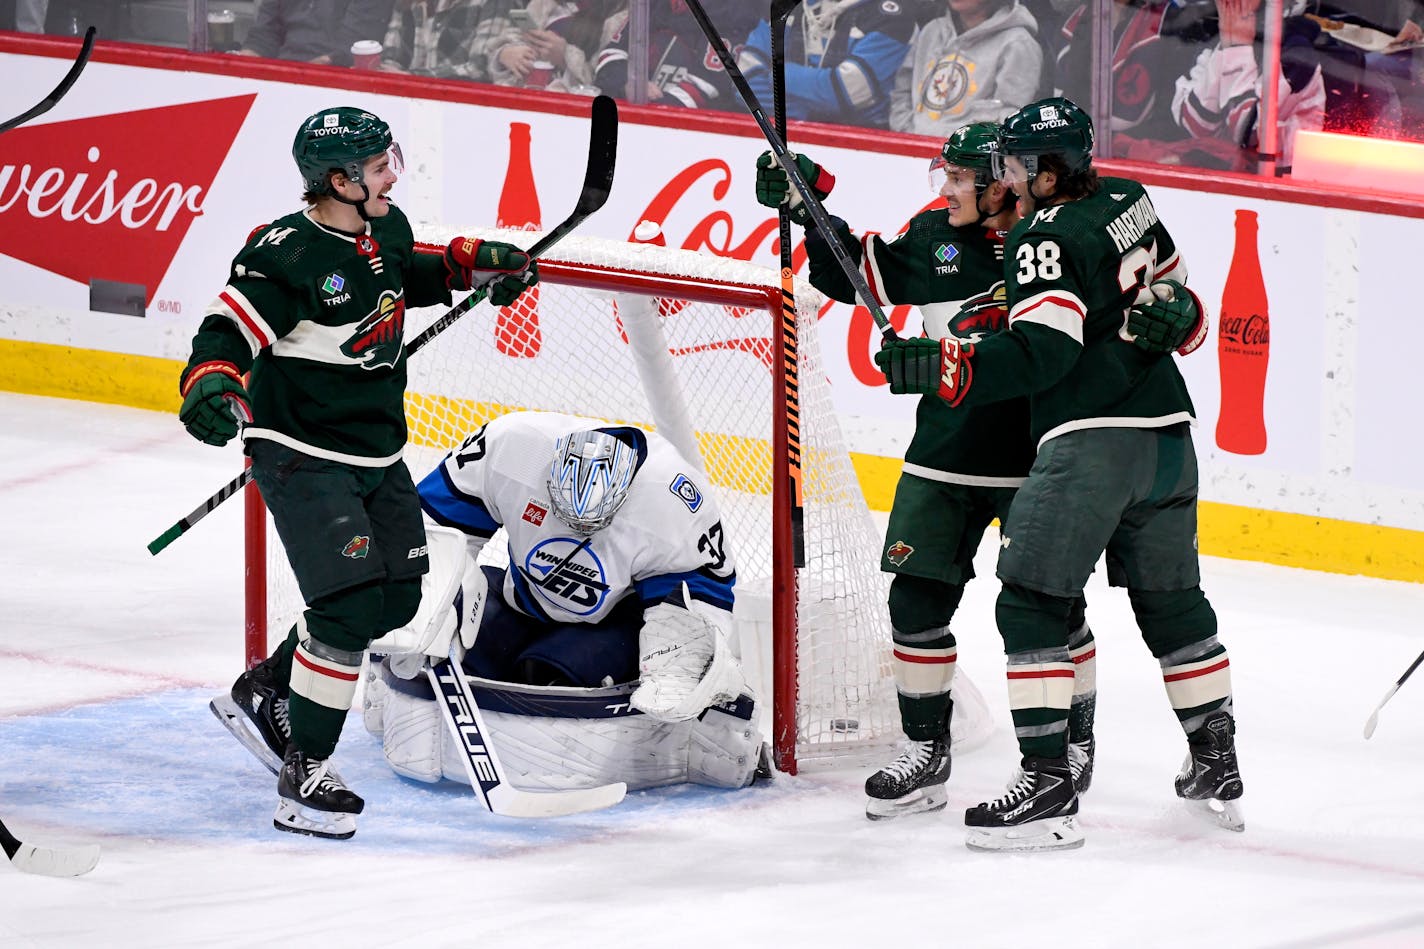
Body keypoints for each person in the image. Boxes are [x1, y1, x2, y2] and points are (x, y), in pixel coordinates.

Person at [752, 125, 1153, 820]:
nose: (946, 190)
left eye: (959, 179)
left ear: (1002, 182)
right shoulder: (938, 234)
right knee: (913, 601)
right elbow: (856, 272)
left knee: (1055, 610)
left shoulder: (1054, 240)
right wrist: (808, 210)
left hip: (1038, 454)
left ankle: (1073, 739)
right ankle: (924, 752)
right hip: (947, 450)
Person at [875, 95, 1239, 852]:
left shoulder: (1042, 235)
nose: (1007, 175)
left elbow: (1046, 351)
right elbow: (1176, 297)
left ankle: (1048, 782)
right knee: (1173, 602)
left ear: (1048, 169)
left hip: (1090, 440)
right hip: (1168, 436)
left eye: (1017, 164)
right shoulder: (1126, 198)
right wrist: (1190, 315)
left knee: (1034, 603)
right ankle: (1216, 758)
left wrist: (950, 364)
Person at [184, 106, 539, 839]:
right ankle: (304, 771)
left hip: (375, 450)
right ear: (339, 181)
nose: (393, 175)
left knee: (395, 597)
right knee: (346, 608)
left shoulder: (385, 224)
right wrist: (212, 380)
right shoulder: (285, 254)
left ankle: (269, 688)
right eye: (379, 167)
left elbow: (407, 271)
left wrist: (470, 267)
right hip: (302, 453)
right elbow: (228, 331)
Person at [358, 410, 766, 793]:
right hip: (520, 602)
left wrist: (679, 655)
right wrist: (434, 601)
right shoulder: (509, 449)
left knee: (549, 676)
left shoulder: (673, 498)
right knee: (410, 624)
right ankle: (383, 692)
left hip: (609, 624)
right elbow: (429, 531)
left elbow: (703, 589)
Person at [1171, 0, 1326, 171]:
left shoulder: (1297, 58)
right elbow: (1193, 124)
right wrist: (1232, 45)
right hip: (1213, 181)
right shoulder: (1222, 37)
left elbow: (1244, 135)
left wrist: (1237, 49)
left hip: (1270, 190)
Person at [736, 0, 923, 129]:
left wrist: (775, 76)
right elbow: (745, 82)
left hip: (859, 147)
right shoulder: (788, 7)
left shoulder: (894, 15)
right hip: (786, 133)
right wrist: (807, 114)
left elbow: (845, 91)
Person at [889, 0, 1044, 135]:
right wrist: (907, 133)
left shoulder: (1018, 44)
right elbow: (903, 89)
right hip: (910, 151)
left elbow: (1011, 117)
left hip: (967, 162)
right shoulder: (932, 31)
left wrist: (961, 148)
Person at [591, 0, 758, 110]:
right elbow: (612, 53)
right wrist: (628, 83)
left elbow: (708, 85)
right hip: (634, 113)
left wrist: (653, 109)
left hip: (691, 134)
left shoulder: (734, 10)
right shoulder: (652, 3)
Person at [237, 0, 398, 67]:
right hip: (280, 79)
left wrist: (289, 81)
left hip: (334, 90)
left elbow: (348, 54)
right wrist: (237, 70)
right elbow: (263, 37)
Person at [377, 0, 511, 80]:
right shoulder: (407, 3)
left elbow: (481, 67)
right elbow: (392, 55)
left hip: (462, 107)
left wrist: (412, 78)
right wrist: (389, 74)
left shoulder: (495, 3)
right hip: (406, 100)